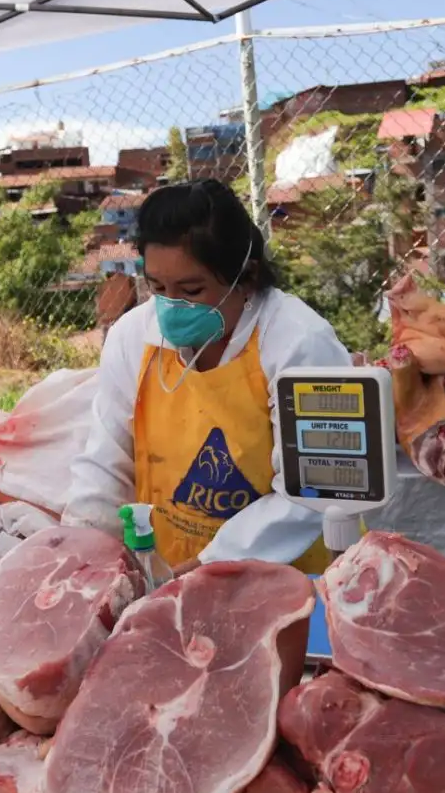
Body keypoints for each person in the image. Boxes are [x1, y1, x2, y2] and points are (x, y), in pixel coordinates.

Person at [62, 179, 350, 576]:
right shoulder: (133, 337)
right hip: (171, 566)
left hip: (288, 571)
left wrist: (211, 564)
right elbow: (107, 457)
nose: (171, 306)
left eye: (192, 289)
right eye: (157, 286)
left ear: (245, 277)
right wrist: (83, 544)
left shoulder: (300, 343)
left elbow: (314, 489)